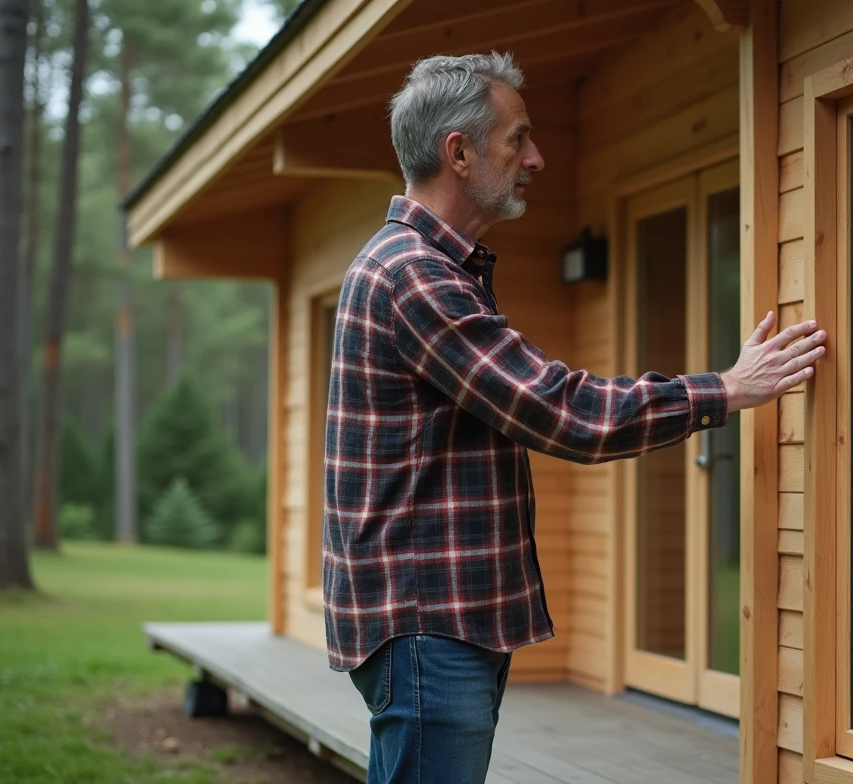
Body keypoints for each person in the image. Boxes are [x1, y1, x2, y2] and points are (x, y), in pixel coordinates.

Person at [321, 51, 827, 784]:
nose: (537, 157)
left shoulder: (422, 266)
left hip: (434, 620)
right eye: (517, 138)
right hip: (429, 622)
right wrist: (725, 389)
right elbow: (559, 408)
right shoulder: (415, 275)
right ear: (457, 153)